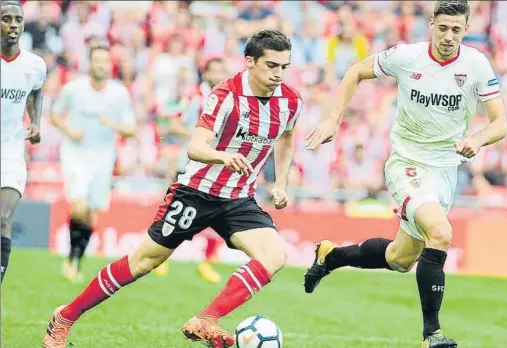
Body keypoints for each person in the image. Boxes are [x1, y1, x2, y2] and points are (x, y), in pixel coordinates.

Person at [43, 29, 302, 348]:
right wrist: (223, 156)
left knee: (275, 255)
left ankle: (206, 319)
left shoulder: (291, 101)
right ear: (250, 62)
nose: (278, 74)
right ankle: (65, 316)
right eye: (271, 66)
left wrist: (281, 183)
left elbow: (287, 137)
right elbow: (195, 147)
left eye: (283, 67)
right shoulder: (225, 96)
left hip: (238, 198)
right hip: (196, 192)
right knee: (143, 263)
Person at [303, 1, 507, 347]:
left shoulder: (476, 65)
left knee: (400, 260)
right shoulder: (407, 56)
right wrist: (331, 120)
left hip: (445, 171)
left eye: (456, 30)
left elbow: (500, 123)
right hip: (407, 163)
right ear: (431, 24)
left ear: (466, 29)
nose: (448, 36)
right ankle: (433, 335)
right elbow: (354, 71)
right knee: (440, 233)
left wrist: (477, 139)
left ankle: (331, 256)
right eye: (442, 28)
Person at [50, 45, 137, 283]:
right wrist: (69, 129)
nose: (100, 65)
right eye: (96, 60)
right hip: (75, 152)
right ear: (89, 63)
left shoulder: (119, 94)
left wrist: (113, 124)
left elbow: (131, 130)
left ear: (111, 66)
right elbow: (55, 115)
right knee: (78, 206)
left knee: (91, 214)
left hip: (103, 156)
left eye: (105, 61)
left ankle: (75, 260)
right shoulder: (73, 89)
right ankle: (71, 259)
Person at [154, 57, 230, 283]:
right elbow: (173, 125)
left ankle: (207, 261)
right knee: (177, 208)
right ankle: (161, 255)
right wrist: (198, 137)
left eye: (221, 69)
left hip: (215, 162)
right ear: (204, 73)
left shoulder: (230, 99)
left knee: (219, 207)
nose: (217, 74)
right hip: (190, 162)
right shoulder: (194, 97)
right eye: (212, 70)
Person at [1, 1, 47, 284]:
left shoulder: (35, 65)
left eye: (18, 19)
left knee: (3, 217)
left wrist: (36, 122)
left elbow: (36, 91)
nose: (14, 25)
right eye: (6, 19)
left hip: (10, 151)